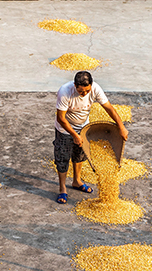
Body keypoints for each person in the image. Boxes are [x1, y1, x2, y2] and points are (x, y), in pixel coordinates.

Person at [54, 70, 128, 204]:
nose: (84, 94)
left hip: (83, 128)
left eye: (87, 91)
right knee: (62, 158)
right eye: (81, 91)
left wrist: (121, 127)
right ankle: (62, 189)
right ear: (75, 85)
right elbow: (61, 118)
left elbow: (109, 108)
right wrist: (74, 134)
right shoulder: (65, 92)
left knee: (79, 155)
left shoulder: (95, 89)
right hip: (65, 130)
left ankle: (77, 181)